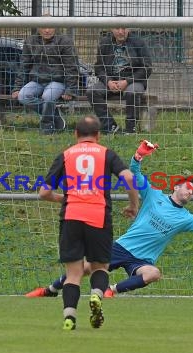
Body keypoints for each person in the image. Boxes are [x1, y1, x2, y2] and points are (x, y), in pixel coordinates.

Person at [27, 140, 193, 298]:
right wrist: (138, 156)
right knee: (85, 268)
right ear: (176, 186)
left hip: (142, 259)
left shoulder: (186, 218)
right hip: (123, 247)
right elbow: (134, 174)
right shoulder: (153, 195)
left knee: (153, 274)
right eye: (188, 187)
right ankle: (50, 289)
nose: (191, 191)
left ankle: (111, 291)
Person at [39, 115, 139, 330]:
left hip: (71, 217)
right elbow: (129, 178)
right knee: (99, 267)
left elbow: (44, 192)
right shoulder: (106, 154)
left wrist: (64, 198)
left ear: (76, 134)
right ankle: (95, 295)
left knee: (73, 274)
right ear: (98, 135)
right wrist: (133, 205)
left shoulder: (65, 155)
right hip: (98, 216)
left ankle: (69, 317)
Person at [12, 18, 80, 135]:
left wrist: (70, 90)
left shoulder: (65, 41)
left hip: (57, 81)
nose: (47, 30)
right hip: (37, 81)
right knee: (23, 96)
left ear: (55, 27)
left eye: (50, 27)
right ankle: (55, 116)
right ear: (38, 28)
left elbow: (71, 67)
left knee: (47, 97)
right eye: (44, 27)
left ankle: (47, 127)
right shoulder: (30, 41)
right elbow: (24, 66)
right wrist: (17, 88)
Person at [86, 23, 153, 134]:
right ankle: (110, 127)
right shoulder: (104, 43)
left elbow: (147, 68)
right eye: (117, 28)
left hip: (133, 80)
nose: (121, 31)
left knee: (132, 92)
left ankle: (130, 129)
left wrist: (127, 81)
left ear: (129, 28)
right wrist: (108, 81)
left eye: (124, 28)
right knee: (92, 92)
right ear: (111, 29)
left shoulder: (139, 43)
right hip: (111, 80)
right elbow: (99, 68)